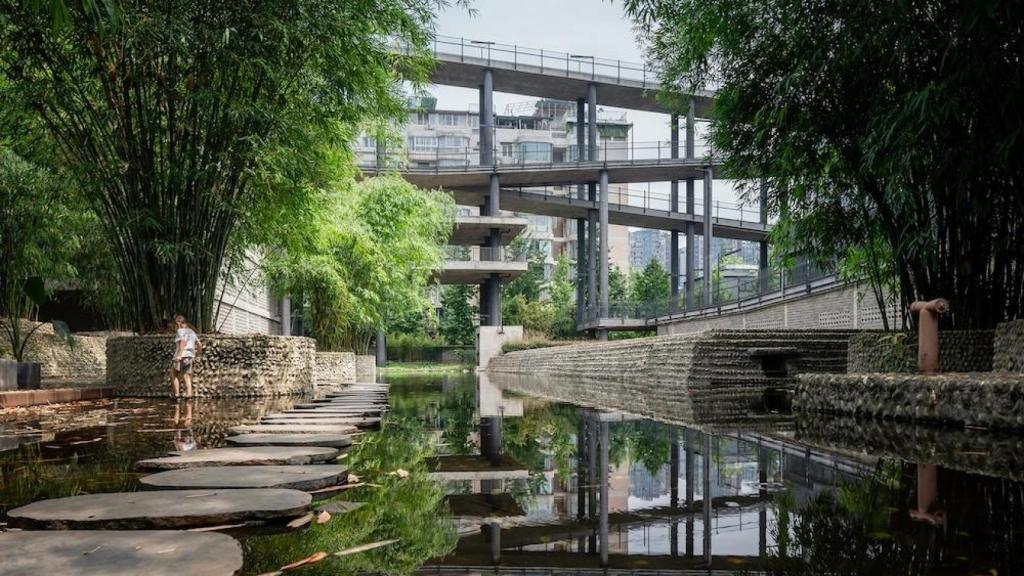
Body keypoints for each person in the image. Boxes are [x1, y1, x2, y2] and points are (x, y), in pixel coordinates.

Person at [171, 314, 200, 399]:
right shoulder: (191, 331)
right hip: (190, 356)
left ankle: (176, 395)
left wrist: (179, 355)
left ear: (178, 323)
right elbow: (199, 344)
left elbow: (182, 342)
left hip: (182, 355)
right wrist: (198, 354)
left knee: (173, 373)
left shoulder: (180, 331)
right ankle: (189, 395)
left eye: (176, 324)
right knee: (186, 376)